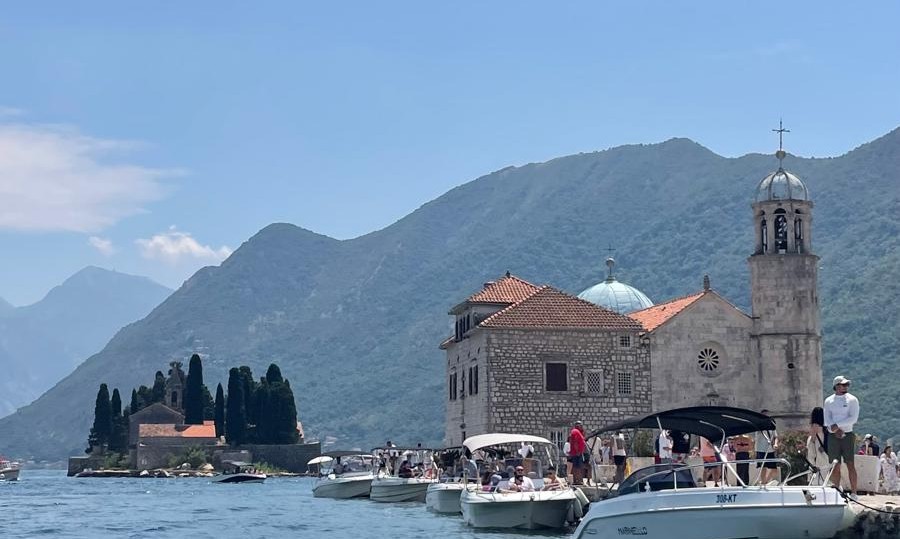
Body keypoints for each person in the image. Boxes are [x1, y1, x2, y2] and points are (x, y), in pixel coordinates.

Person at [823, 375, 859, 498]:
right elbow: (827, 418)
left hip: (847, 434)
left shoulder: (852, 399)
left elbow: (853, 418)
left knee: (850, 463)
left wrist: (838, 426)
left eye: (846, 385)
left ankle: (854, 492)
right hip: (833, 435)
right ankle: (837, 489)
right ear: (836, 386)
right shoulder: (829, 401)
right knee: (835, 465)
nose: (845, 387)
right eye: (843, 385)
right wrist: (833, 429)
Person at [806, 407, 829, 485]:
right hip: (825, 454)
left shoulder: (814, 427)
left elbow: (812, 441)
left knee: (817, 480)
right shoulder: (826, 428)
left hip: (817, 445)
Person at [755, 410, 779, 485]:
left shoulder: (772, 426)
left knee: (774, 469)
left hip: (770, 449)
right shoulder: (758, 425)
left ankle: (765, 482)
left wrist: (775, 444)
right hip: (761, 449)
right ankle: (763, 482)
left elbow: (776, 437)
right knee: (763, 467)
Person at [568, 420, 587, 486]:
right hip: (577, 453)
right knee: (578, 467)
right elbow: (575, 442)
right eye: (580, 425)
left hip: (576, 452)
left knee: (576, 467)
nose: (581, 426)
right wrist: (578, 451)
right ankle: (578, 480)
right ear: (577, 426)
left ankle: (577, 480)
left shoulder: (577, 432)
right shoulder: (575, 431)